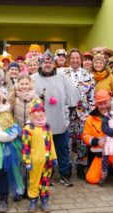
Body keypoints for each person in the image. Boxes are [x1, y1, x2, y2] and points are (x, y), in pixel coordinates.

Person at [33, 50, 80, 187]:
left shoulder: (63, 78)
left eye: (50, 62)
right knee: (44, 151)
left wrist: (66, 114)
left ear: (54, 64)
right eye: (44, 62)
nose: (47, 65)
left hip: (60, 121)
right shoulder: (32, 79)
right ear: (40, 64)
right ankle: (48, 175)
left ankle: (65, 175)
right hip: (40, 123)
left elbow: (72, 100)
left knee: (63, 150)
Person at [61, 48, 95, 180]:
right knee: (67, 142)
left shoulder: (88, 75)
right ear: (69, 59)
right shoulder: (62, 74)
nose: (75, 60)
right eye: (73, 58)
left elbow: (92, 97)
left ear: (81, 60)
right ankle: (67, 167)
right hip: (67, 114)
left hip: (83, 115)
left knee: (82, 142)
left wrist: (90, 113)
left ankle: (81, 166)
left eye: (77, 58)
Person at [22, 98, 57, 213]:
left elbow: (51, 143)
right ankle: (33, 200)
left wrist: (54, 157)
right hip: (35, 161)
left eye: (42, 111)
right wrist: (27, 161)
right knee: (34, 181)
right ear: (31, 113)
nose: (40, 113)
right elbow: (25, 146)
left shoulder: (47, 127)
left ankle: (44, 200)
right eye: (37, 111)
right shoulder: (28, 128)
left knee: (45, 181)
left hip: (48, 161)